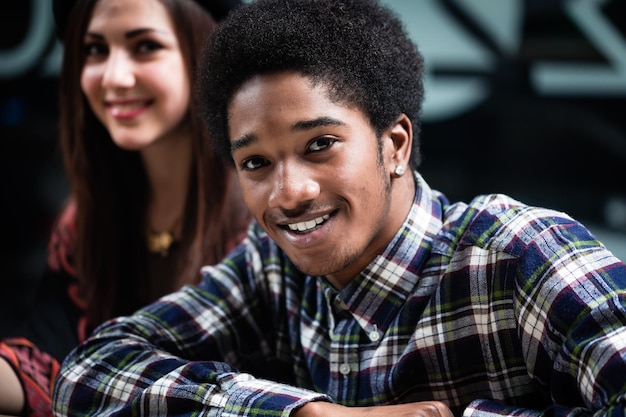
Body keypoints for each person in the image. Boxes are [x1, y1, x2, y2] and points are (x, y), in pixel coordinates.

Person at [53, 0, 626, 416]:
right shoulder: (271, 268)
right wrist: (306, 414)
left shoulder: (521, 253)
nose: (289, 193)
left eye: (319, 145)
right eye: (255, 163)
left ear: (395, 144)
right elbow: (90, 371)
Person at [0, 0, 248, 416]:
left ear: (207, 52)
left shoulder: (269, 213)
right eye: (95, 50)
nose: (113, 77)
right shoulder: (83, 219)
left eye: (145, 46)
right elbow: (52, 361)